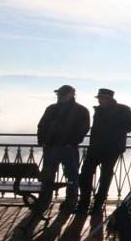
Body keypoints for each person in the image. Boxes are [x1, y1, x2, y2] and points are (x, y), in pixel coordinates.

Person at [77, 88, 131, 215]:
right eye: (99, 98)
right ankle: (85, 203)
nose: (99, 100)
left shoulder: (122, 109)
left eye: (101, 98)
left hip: (112, 148)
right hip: (96, 147)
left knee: (105, 176)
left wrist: (119, 132)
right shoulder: (99, 110)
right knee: (86, 173)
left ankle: (97, 205)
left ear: (108, 99)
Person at [35, 85, 90, 214]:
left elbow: (83, 129)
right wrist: (42, 141)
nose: (60, 96)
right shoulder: (79, 110)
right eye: (59, 94)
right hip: (56, 147)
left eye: (62, 94)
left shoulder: (78, 110)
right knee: (55, 176)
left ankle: (67, 202)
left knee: (70, 176)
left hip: (64, 148)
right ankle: (49, 200)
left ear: (71, 95)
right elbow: (42, 125)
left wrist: (71, 142)